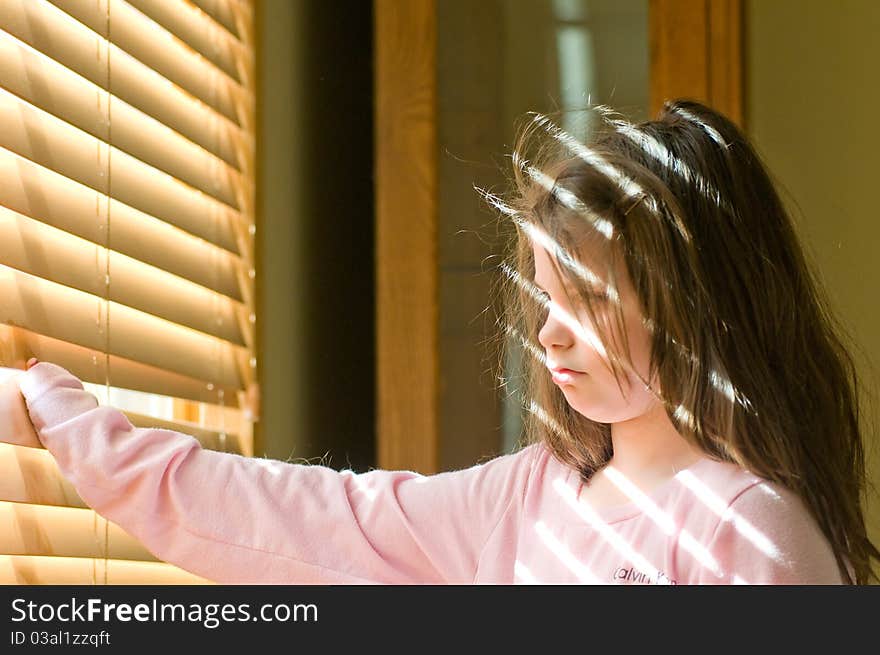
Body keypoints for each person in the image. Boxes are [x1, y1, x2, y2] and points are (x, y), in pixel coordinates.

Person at [2, 99, 876, 584]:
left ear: (700, 305)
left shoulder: (752, 529)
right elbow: (304, 521)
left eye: (590, 298)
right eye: (544, 294)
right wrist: (78, 430)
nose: (549, 332)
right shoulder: (533, 497)